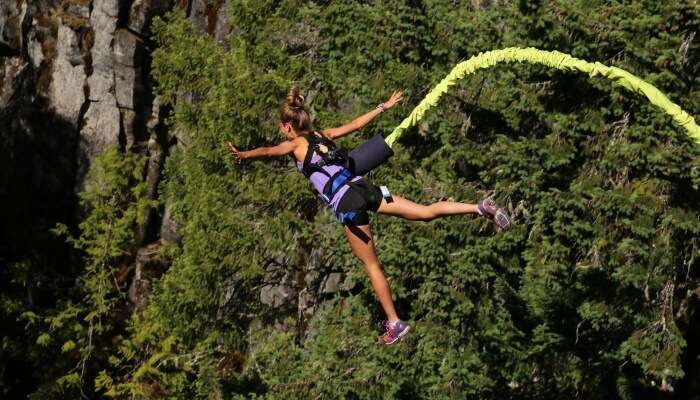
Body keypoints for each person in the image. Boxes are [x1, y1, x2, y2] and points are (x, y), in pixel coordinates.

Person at [227, 87, 510, 345]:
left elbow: (269, 151)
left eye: (282, 129)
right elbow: (355, 125)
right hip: (365, 188)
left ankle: (395, 322)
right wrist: (382, 106)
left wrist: (245, 154)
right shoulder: (323, 135)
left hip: (347, 201)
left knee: (372, 265)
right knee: (424, 212)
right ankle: (478, 207)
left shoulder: (295, 145)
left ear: (288, 127)